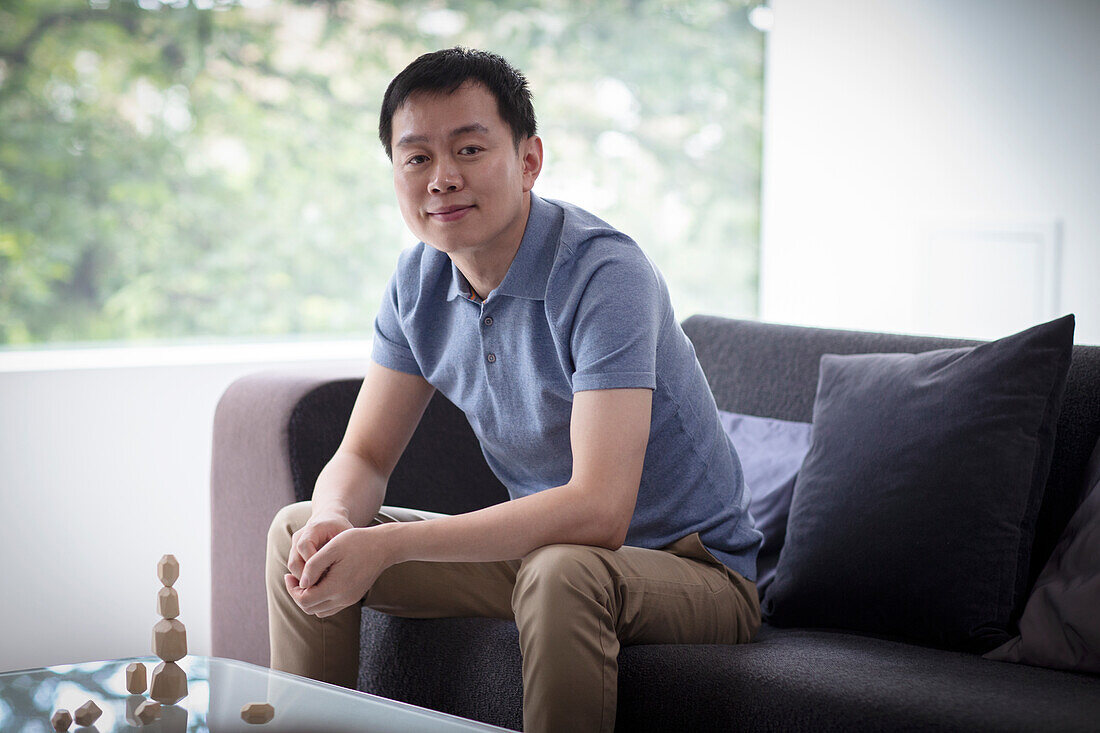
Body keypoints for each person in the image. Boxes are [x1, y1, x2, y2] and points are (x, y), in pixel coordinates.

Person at [266, 46, 762, 733]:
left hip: (696, 572)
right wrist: (334, 517)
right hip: (545, 560)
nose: (442, 178)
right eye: (416, 158)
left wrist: (390, 545)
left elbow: (599, 510)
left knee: (565, 570)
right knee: (298, 533)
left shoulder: (603, 275)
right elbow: (365, 458)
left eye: (469, 149)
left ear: (529, 160)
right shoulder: (418, 284)